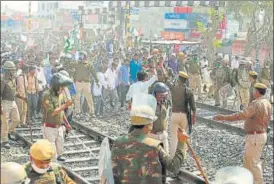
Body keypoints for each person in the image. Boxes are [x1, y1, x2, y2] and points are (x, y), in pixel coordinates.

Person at [111, 93, 189, 183]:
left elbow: (113, 171)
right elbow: (174, 167)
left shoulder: (118, 142)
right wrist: (181, 142)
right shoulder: (154, 146)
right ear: (148, 126)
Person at [214, 83, 272, 184]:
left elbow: (241, 115)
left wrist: (223, 117)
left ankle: (258, 182)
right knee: (248, 163)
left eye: (254, 90)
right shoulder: (267, 103)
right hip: (260, 135)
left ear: (257, 92)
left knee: (253, 164)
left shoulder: (256, 104)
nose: (253, 92)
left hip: (255, 136)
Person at [41, 73, 73, 162]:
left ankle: (57, 157)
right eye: (61, 87)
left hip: (59, 126)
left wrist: (67, 124)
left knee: (60, 147)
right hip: (49, 127)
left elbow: (61, 111)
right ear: (56, 86)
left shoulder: (60, 95)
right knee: (52, 151)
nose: (63, 89)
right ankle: (52, 166)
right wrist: (65, 105)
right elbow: (52, 112)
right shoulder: (46, 95)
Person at [167, 71, 196, 158]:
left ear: (179, 79)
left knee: (173, 137)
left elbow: (166, 81)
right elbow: (193, 108)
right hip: (184, 116)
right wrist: (193, 118)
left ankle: (172, 156)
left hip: (174, 114)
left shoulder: (173, 88)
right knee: (182, 136)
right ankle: (183, 156)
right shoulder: (189, 91)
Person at [70, 51, 99, 117]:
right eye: (80, 55)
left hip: (86, 83)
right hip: (78, 83)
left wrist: (97, 81)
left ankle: (92, 112)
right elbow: (69, 66)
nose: (81, 56)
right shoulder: (75, 63)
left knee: (89, 98)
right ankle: (77, 112)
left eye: (82, 55)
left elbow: (94, 73)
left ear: (85, 57)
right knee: (77, 98)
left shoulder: (88, 64)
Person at [1, 61, 21, 148]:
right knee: (5, 122)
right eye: (11, 70)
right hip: (5, 103)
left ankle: (8, 133)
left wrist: (23, 98)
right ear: (7, 70)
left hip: (13, 102)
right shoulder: (2, 80)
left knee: (17, 120)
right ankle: (4, 140)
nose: (13, 71)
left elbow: (13, 91)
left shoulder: (12, 78)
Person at [149, 82, 170, 153]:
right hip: (152, 135)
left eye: (164, 95)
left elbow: (166, 117)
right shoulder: (150, 104)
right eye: (161, 95)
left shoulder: (164, 102)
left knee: (166, 156)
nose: (163, 97)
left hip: (163, 134)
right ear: (155, 93)